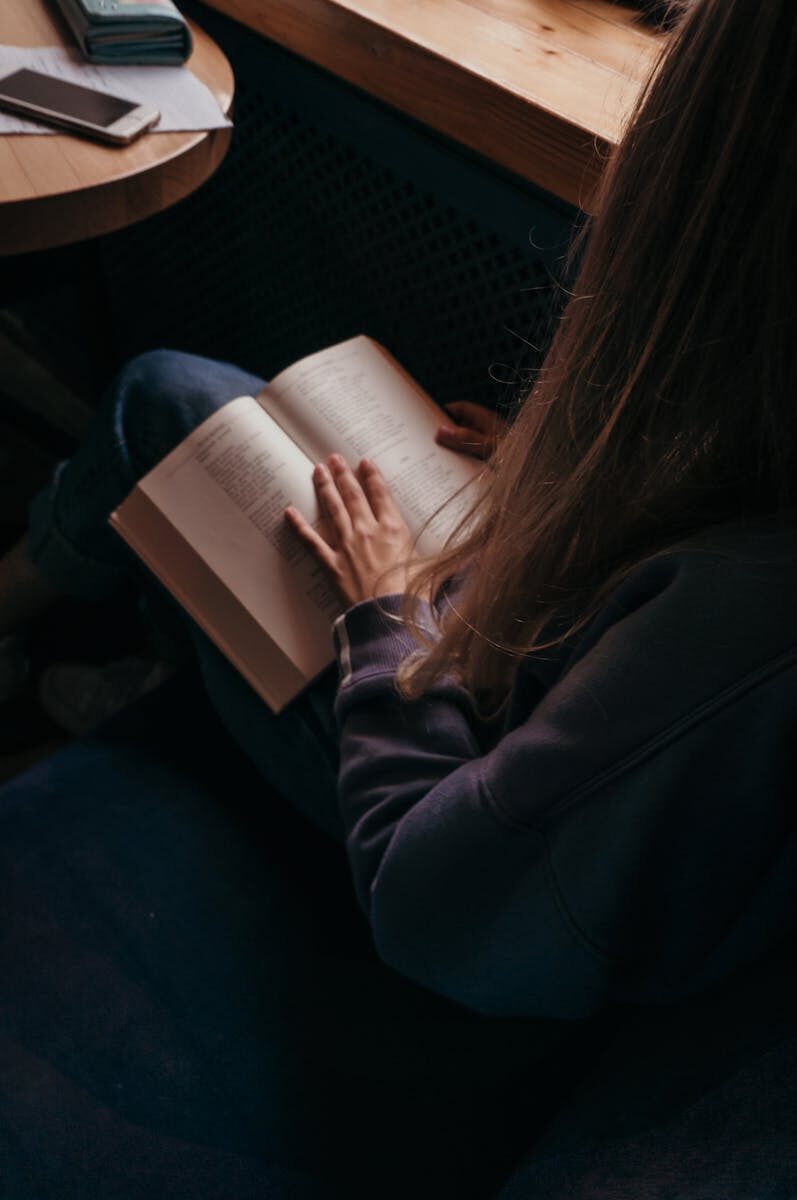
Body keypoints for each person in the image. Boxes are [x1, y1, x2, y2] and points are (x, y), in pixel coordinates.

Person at [0, 0, 795, 1019]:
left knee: (162, 403)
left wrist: (386, 613)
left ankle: (36, 622)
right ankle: (145, 645)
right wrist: (541, 481)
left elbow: (431, 899)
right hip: (494, 657)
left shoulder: (743, 623)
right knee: (219, 426)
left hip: (427, 732)